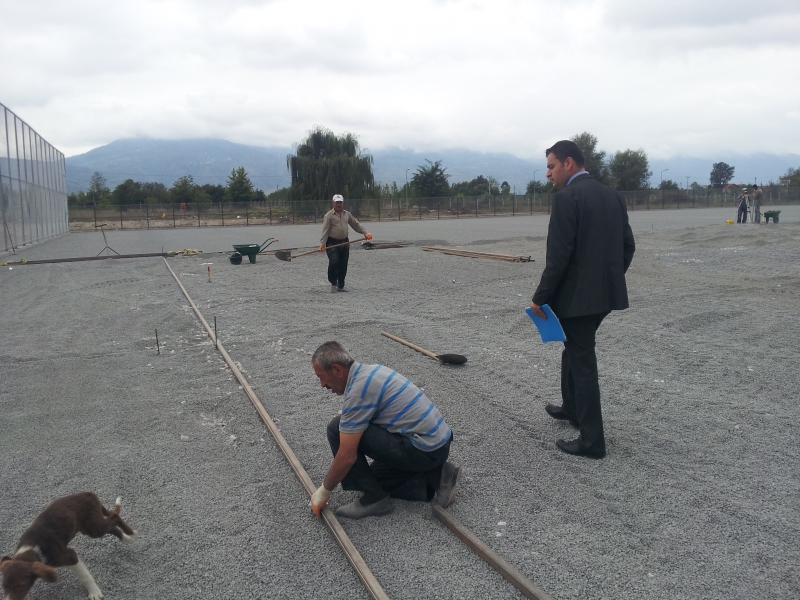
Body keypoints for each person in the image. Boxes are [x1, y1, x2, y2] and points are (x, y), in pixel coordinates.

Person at [530, 140, 635, 459]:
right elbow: (627, 246)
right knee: (574, 348)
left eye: (551, 166)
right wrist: (608, 280)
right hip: (603, 296)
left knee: (582, 359)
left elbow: (558, 257)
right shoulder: (612, 196)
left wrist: (539, 298)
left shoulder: (567, 199)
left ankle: (592, 441)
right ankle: (572, 408)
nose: (548, 173)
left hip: (578, 300)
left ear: (569, 163)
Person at [309, 341, 461, 519]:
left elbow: (347, 456)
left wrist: (323, 492)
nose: (321, 385)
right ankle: (438, 475)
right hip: (437, 444)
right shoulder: (372, 371)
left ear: (337, 370)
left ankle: (375, 499)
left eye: (321, 377)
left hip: (425, 450)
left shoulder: (360, 390)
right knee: (372, 477)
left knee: (337, 428)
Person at [318, 194, 372, 292]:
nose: (339, 204)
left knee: (343, 263)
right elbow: (325, 230)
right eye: (337, 202)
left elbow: (355, 224)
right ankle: (333, 284)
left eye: (340, 202)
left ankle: (341, 285)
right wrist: (322, 244)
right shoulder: (329, 215)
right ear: (333, 203)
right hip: (332, 242)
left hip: (344, 242)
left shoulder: (347, 214)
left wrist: (365, 232)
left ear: (343, 203)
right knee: (334, 262)